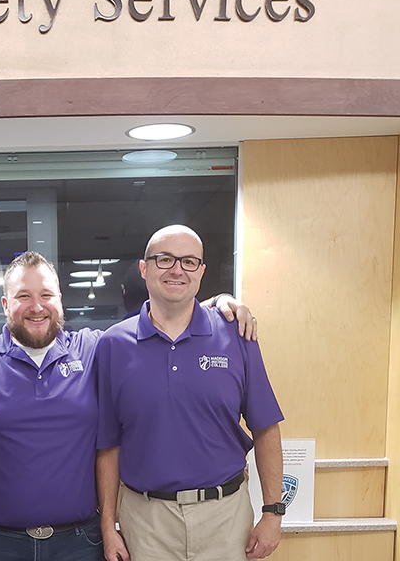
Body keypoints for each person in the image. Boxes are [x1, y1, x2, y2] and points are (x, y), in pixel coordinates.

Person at [0, 251, 258, 561]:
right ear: (5, 305)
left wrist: (218, 304)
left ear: (61, 301)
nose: (36, 305)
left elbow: (160, 323)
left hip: (79, 543)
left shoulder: (97, 347)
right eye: (23, 295)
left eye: (46, 294)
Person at [96, 225, 284, 561]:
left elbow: (266, 426)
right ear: (144, 268)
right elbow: (108, 445)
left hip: (225, 518)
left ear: (201, 271)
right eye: (164, 259)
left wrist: (272, 512)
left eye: (189, 261)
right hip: (145, 521)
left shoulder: (237, 334)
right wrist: (109, 527)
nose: (177, 270)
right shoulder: (113, 345)